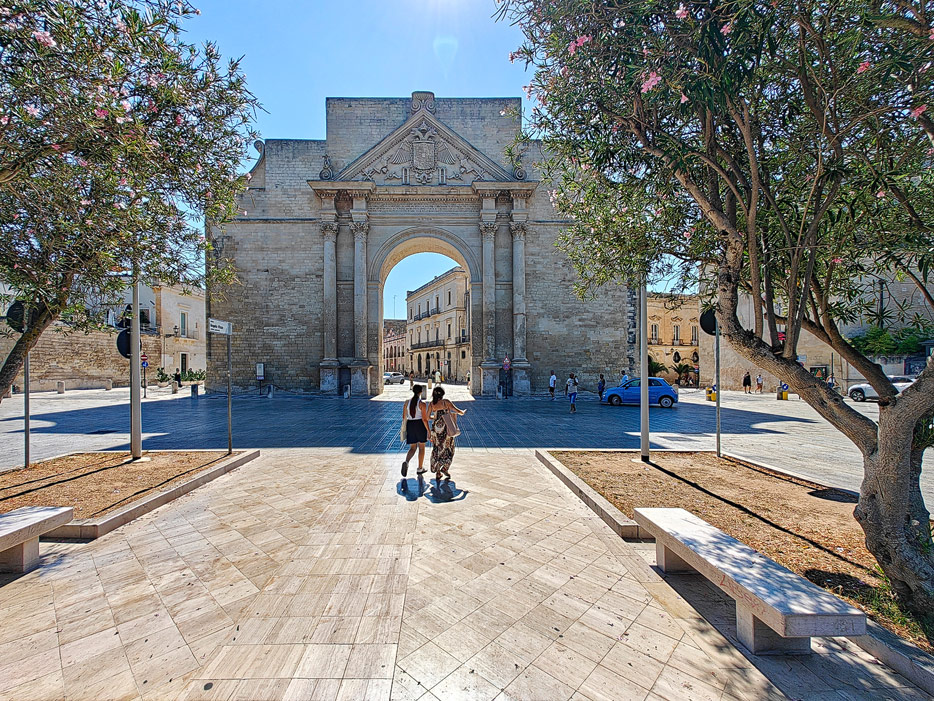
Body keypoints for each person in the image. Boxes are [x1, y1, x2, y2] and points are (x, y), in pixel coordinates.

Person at [427, 386, 467, 482]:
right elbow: (457, 410)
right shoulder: (446, 402)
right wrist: (462, 412)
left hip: (436, 430)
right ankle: (445, 468)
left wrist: (436, 418)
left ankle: (438, 472)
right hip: (446, 430)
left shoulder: (432, 404)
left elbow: (428, 417)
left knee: (437, 449)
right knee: (449, 449)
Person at [401, 384, 430, 477]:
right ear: (421, 392)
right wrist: (428, 431)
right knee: (421, 447)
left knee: (413, 448)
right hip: (420, 425)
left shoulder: (407, 402)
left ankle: (406, 461)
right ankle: (420, 468)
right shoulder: (422, 404)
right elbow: (424, 419)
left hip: (410, 424)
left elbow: (404, 416)